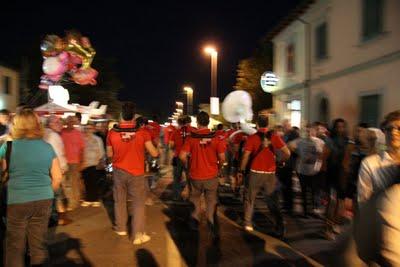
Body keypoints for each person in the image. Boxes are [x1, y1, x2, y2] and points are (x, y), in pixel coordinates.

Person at [0, 109, 62, 267]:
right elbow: (58, 177)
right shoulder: (47, 147)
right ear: (36, 124)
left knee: (15, 247)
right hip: (43, 200)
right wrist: (47, 192)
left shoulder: (8, 147)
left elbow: (4, 172)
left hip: (16, 201)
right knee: (38, 245)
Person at [107, 102, 158, 245]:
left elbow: (109, 153)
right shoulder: (142, 132)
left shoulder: (112, 132)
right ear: (133, 117)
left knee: (119, 200)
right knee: (138, 203)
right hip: (136, 172)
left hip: (118, 171)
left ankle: (121, 227)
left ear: (121, 115)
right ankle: (137, 234)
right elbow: (154, 153)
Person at [239, 115, 290, 238]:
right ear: (267, 124)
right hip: (270, 174)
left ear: (257, 124)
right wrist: (280, 161)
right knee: (272, 201)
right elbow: (287, 153)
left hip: (255, 173)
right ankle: (279, 225)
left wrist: (241, 170)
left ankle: (248, 224)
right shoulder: (275, 137)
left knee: (250, 198)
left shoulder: (252, 138)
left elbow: (246, 156)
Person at [179, 111, 226, 240]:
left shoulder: (191, 138)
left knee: (195, 200)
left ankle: (194, 223)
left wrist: (188, 165)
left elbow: (182, 156)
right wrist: (219, 167)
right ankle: (211, 223)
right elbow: (222, 157)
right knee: (211, 201)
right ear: (208, 122)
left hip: (195, 175)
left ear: (198, 122)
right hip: (211, 175)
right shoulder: (216, 137)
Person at [357, 110, 400, 203]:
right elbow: (364, 201)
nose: (393, 132)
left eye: (399, 128)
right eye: (389, 129)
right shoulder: (369, 164)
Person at [289, 123, 325, 217]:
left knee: (313, 192)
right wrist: (298, 153)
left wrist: (318, 164)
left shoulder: (319, 142)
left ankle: (313, 210)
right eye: (307, 131)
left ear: (314, 131)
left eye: (310, 130)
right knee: (304, 191)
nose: (309, 132)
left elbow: (322, 155)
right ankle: (305, 211)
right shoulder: (300, 141)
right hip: (302, 171)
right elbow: (289, 145)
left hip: (314, 171)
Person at [44, 115, 70, 226]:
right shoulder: (54, 136)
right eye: (57, 122)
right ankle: (60, 218)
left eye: (60, 122)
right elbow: (58, 154)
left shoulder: (44, 133)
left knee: (52, 194)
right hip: (55, 168)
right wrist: (63, 167)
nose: (60, 124)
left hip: (46, 168)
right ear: (50, 124)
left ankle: (53, 217)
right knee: (57, 194)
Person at [61, 116, 85, 210]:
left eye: (72, 121)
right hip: (63, 161)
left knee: (74, 183)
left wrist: (82, 162)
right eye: (69, 121)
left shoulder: (78, 134)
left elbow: (82, 149)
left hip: (74, 162)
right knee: (64, 183)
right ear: (66, 122)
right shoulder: (61, 132)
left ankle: (73, 202)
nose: (70, 123)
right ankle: (67, 201)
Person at [169, 116, 195, 201]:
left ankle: (176, 196)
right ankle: (191, 196)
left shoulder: (176, 132)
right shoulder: (194, 131)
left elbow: (171, 145)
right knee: (190, 178)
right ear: (190, 122)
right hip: (190, 158)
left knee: (177, 178)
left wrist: (176, 148)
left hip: (178, 157)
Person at [81, 123, 105, 207]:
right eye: (86, 128)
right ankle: (88, 199)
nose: (88, 130)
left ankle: (95, 199)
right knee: (87, 182)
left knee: (94, 182)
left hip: (95, 163)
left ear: (93, 129)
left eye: (90, 128)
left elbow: (101, 151)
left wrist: (100, 160)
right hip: (85, 163)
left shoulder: (97, 139)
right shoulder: (82, 139)